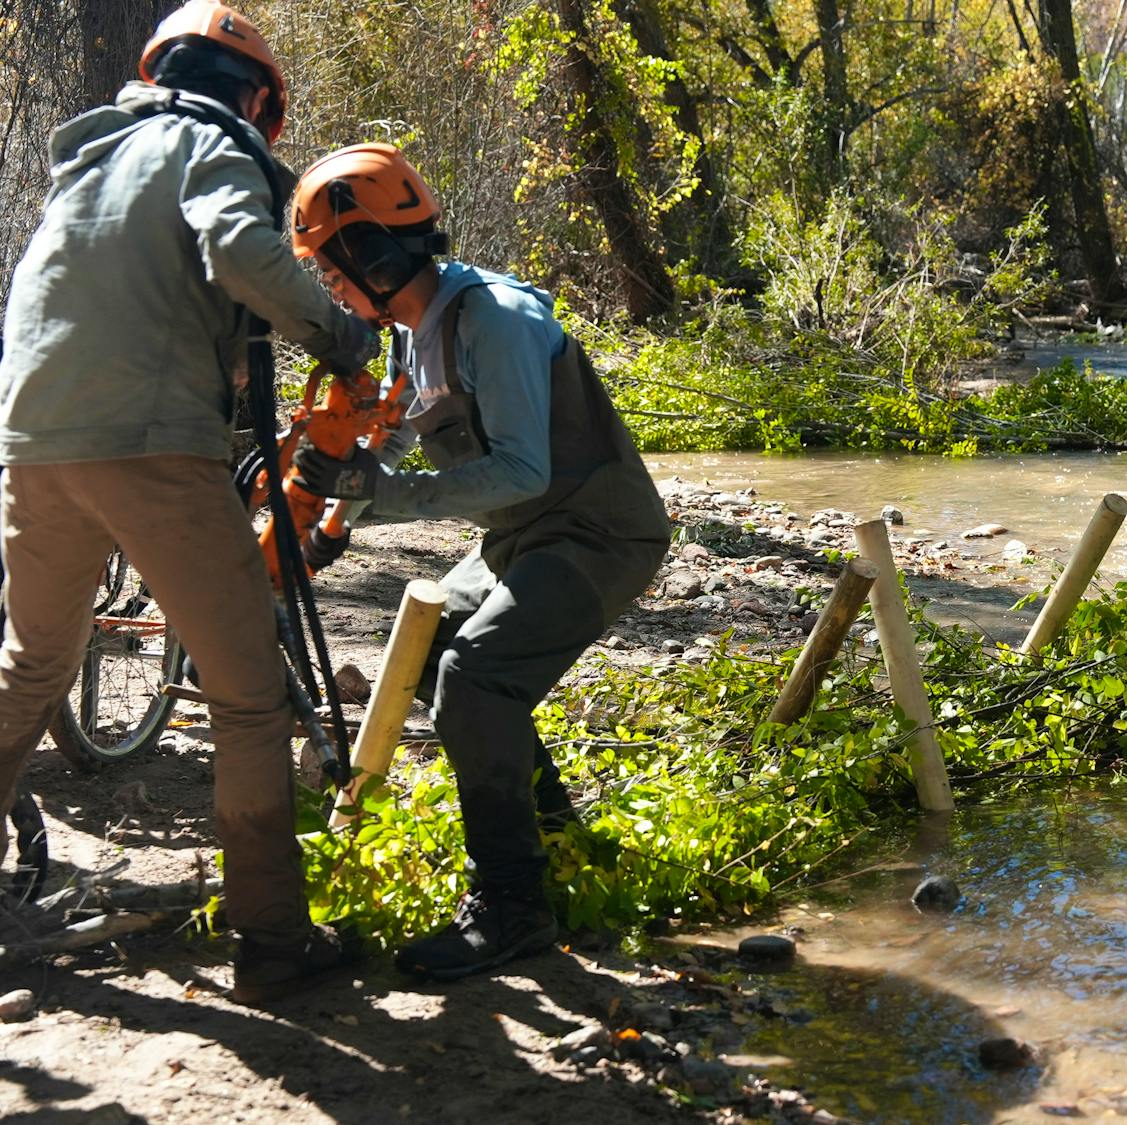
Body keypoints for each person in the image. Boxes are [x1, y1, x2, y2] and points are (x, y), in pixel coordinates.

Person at [0, 2, 379, 1001]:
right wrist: (339, 337)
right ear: (256, 101)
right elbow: (241, 255)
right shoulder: (208, 143)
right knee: (247, 695)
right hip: (154, 448)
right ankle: (274, 942)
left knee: (32, 662)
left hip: (32, 439)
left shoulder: (87, 160)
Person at [287, 144, 670, 981]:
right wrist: (327, 529)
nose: (332, 292)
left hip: (598, 534)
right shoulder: (407, 333)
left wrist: (383, 494)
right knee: (428, 653)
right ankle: (555, 839)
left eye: (332, 272)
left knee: (476, 676)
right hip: (519, 538)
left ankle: (513, 907)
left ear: (373, 257)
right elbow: (381, 443)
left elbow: (524, 470)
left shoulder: (490, 319)